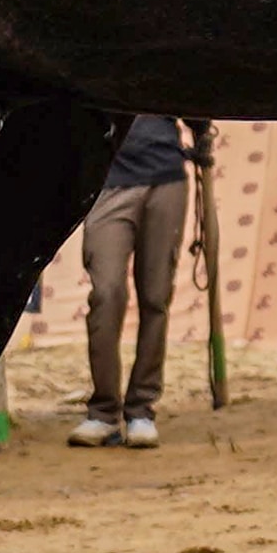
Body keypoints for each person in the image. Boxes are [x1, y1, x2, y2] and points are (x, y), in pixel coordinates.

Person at [72, 113, 209, 450]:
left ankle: (141, 410)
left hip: (165, 178)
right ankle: (104, 411)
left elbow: (195, 105)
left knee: (155, 296)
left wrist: (202, 132)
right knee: (106, 293)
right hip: (107, 183)